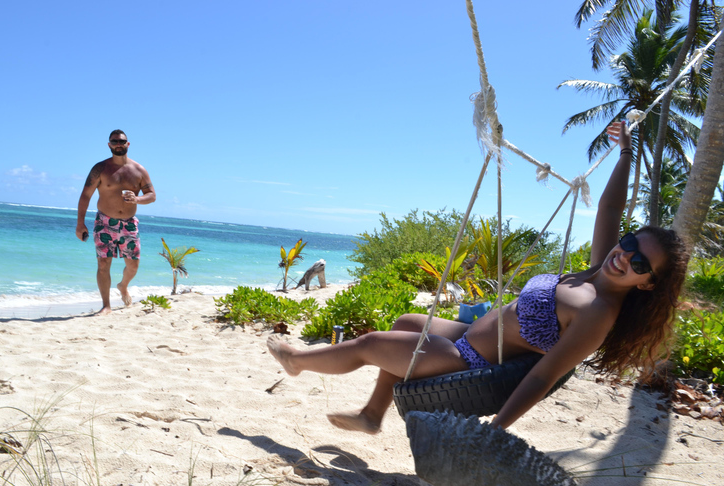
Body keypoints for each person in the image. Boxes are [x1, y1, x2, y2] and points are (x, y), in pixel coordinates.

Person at [268, 121, 689, 433]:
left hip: (469, 361)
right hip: (467, 334)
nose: (626, 257)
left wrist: (496, 430)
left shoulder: (599, 311)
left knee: (373, 344)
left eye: (640, 264)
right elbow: (609, 212)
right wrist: (626, 157)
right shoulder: (597, 272)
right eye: (630, 244)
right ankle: (372, 415)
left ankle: (297, 361)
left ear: (648, 283)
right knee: (405, 324)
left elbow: (542, 375)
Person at [76, 130, 156, 315]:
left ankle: (123, 285)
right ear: (109, 145)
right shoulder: (100, 169)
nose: (118, 144)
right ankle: (106, 306)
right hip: (104, 222)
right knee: (103, 264)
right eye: (114, 141)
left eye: (121, 141)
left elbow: (152, 196)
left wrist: (137, 199)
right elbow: (85, 196)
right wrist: (80, 223)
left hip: (129, 224)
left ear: (128, 144)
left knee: (133, 266)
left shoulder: (139, 170)